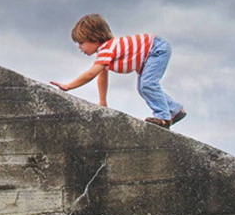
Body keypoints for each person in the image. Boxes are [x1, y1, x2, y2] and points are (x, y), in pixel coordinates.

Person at [50, 14, 186, 129]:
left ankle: (163, 117)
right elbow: (101, 76)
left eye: (81, 43)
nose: (80, 47)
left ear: (94, 38)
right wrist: (102, 101)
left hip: (156, 48)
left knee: (147, 85)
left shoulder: (107, 49)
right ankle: (175, 110)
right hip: (153, 49)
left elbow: (91, 74)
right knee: (143, 87)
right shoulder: (106, 52)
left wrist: (69, 86)